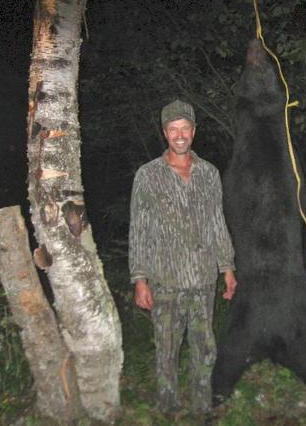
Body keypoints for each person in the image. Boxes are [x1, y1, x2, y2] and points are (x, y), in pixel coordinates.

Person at [128, 99, 237, 418]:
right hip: (165, 280)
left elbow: (218, 222)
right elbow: (139, 229)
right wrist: (139, 279)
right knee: (167, 349)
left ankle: (202, 407)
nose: (179, 135)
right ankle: (168, 405)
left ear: (194, 131)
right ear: (165, 133)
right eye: (173, 129)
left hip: (203, 278)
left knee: (205, 349)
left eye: (185, 128)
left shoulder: (209, 173)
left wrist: (227, 268)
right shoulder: (147, 175)